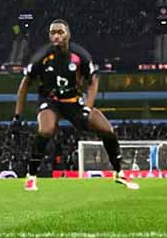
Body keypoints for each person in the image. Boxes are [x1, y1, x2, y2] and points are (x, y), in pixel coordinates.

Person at [12, 19, 138, 191]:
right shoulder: (41, 57)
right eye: (53, 33)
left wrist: (87, 107)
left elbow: (93, 81)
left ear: (68, 35)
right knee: (46, 130)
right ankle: (31, 176)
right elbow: (25, 85)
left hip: (74, 102)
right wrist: (17, 115)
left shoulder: (80, 55)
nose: (56, 36)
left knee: (107, 130)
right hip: (51, 101)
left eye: (60, 32)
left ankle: (119, 173)